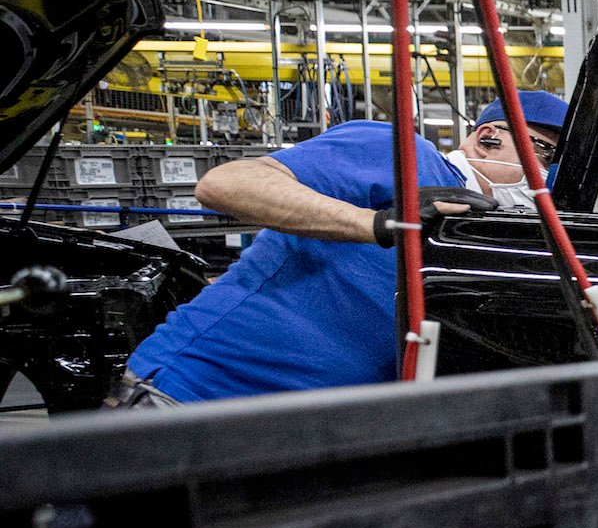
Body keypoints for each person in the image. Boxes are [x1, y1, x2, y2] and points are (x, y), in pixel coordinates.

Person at [114, 90, 570, 405]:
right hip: (195, 397)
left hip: (305, 434)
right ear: (489, 138)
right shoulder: (405, 155)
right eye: (546, 155)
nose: (550, 178)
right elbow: (225, 184)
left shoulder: (485, 231)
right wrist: (378, 223)